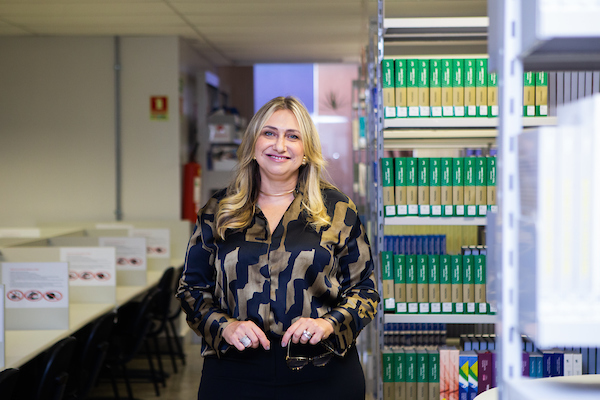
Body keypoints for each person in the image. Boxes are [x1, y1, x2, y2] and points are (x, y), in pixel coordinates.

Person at [177, 96, 379, 400]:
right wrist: (225, 327)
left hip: (323, 373)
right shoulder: (218, 210)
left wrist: (328, 324)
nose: (279, 145)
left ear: (307, 150)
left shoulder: (337, 210)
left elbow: (365, 290)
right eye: (269, 133)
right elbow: (191, 289)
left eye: (293, 136)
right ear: (253, 143)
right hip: (234, 374)